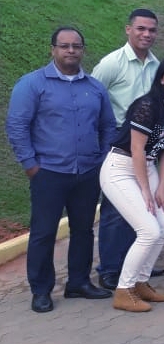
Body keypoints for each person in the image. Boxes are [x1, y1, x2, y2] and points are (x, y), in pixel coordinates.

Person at [6, 27, 117, 313]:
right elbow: (17, 127)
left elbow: (107, 126)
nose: (71, 51)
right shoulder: (32, 85)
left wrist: (103, 158)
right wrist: (31, 166)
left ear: (83, 49)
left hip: (87, 171)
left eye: (76, 46)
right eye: (64, 46)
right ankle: (41, 289)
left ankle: (78, 283)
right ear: (53, 49)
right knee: (43, 232)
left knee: (82, 230)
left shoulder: (94, 87)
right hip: (49, 173)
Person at [99, 56, 164, 312]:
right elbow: (137, 150)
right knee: (148, 230)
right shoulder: (148, 105)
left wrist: (161, 187)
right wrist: (146, 191)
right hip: (121, 167)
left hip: (148, 166)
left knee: (163, 228)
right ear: (162, 78)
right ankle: (123, 291)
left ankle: (141, 283)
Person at [92, 8, 161, 291]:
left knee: (143, 208)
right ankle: (109, 269)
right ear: (128, 29)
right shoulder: (112, 63)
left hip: (148, 148)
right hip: (119, 145)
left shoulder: (158, 66)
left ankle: (138, 263)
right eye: (141, 28)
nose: (146, 34)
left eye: (152, 30)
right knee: (113, 211)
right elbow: (92, 99)